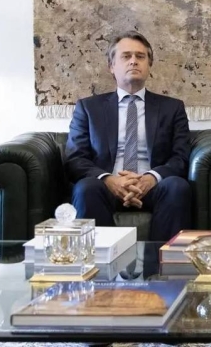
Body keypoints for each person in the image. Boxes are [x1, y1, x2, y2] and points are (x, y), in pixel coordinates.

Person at [65, 31, 192, 266]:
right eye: (126, 56)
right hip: (106, 186)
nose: (134, 61)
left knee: (177, 186)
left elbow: (181, 156)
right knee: (86, 188)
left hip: (154, 186)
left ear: (149, 65)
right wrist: (109, 179)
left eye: (140, 56)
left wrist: (151, 178)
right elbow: (76, 158)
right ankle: (101, 270)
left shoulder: (172, 108)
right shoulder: (88, 108)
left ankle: (162, 270)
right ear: (111, 66)